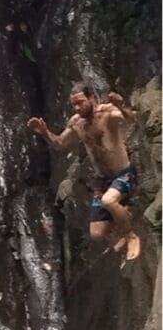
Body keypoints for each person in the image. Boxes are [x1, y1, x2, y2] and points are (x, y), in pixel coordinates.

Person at [27, 84, 141, 264]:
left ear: (92, 98)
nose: (77, 108)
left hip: (123, 173)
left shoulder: (107, 113)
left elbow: (131, 119)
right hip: (102, 180)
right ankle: (122, 220)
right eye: (73, 105)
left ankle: (131, 235)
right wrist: (44, 132)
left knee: (108, 201)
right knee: (96, 234)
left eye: (80, 103)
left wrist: (121, 106)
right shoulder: (76, 123)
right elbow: (59, 143)